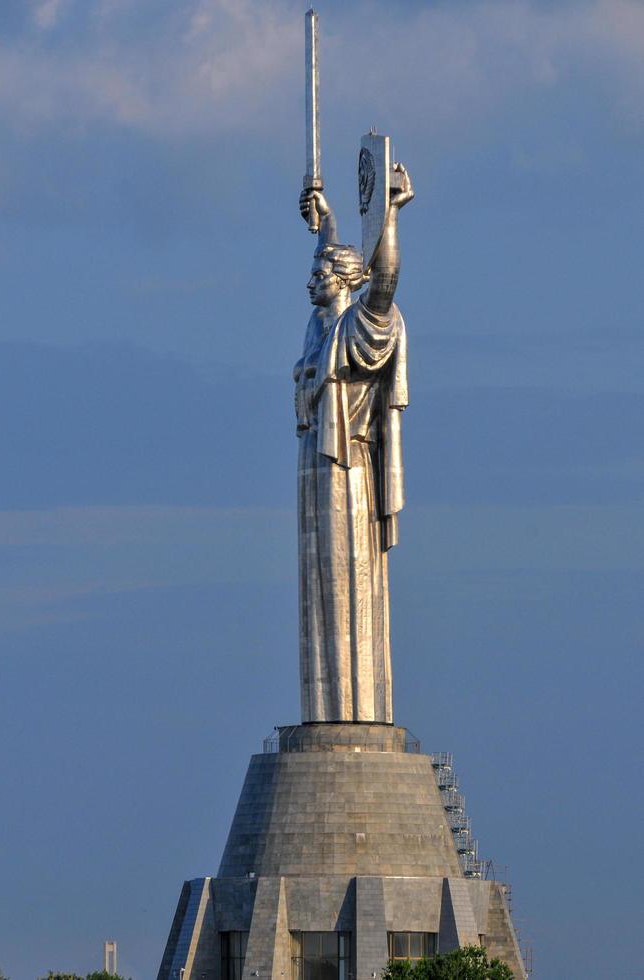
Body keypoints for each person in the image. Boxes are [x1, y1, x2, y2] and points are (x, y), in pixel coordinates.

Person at [294, 163, 414, 723]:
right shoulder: (320, 329)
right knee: (319, 588)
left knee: (349, 585)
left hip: (349, 473)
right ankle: (327, 716)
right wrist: (327, 220)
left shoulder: (362, 327)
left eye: (320, 272)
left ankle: (355, 717)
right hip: (316, 472)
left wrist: (390, 215)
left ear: (344, 280)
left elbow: (383, 281)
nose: (310, 280)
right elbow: (331, 251)